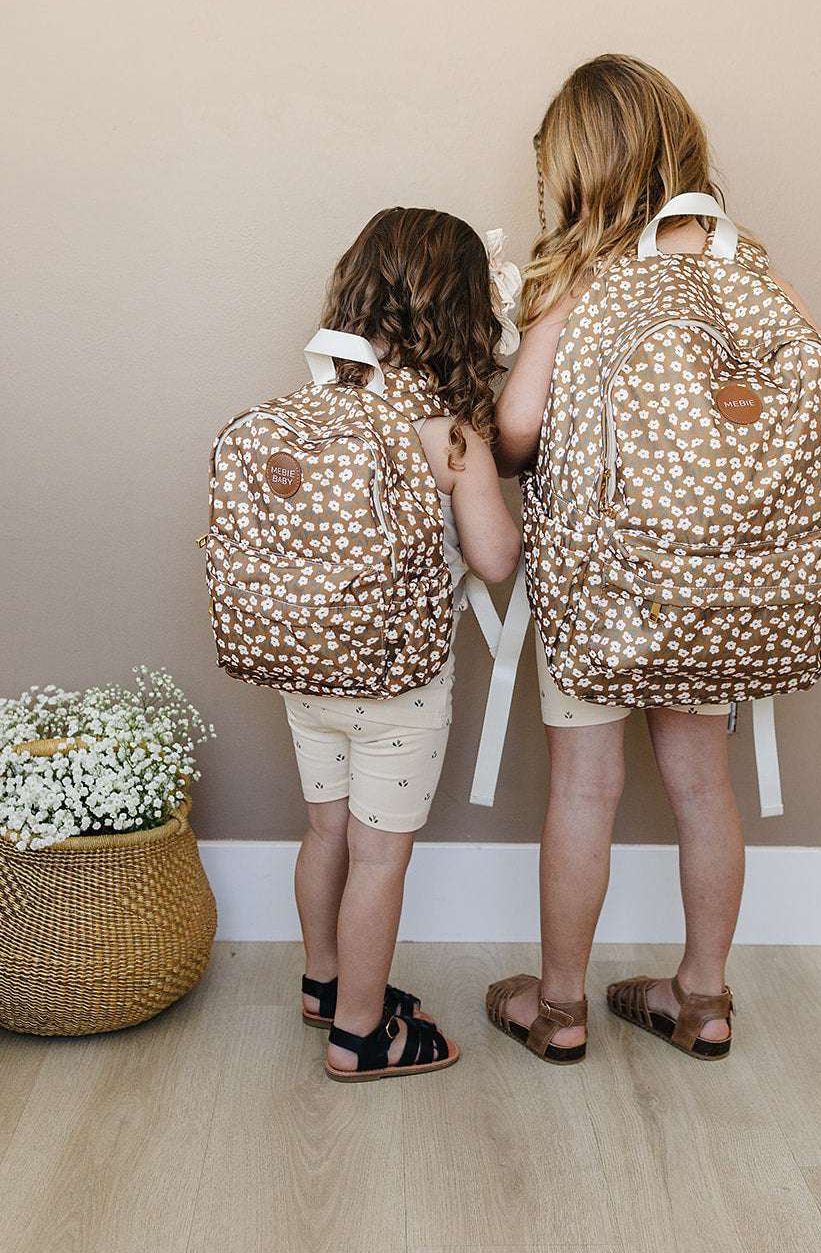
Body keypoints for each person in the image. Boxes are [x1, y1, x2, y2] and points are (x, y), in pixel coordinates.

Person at [485, 55, 821, 1062]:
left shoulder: (584, 278)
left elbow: (515, 432)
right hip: (725, 592)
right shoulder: (745, 273)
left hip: (604, 591)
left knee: (581, 788)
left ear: (579, 172)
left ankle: (557, 1006)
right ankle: (700, 997)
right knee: (702, 786)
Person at [284, 207, 522, 1081]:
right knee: (380, 855)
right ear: (462, 310)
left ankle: (323, 986)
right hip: (397, 683)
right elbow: (494, 557)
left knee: (323, 833)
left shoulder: (316, 402)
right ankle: (359, 1035)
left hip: (303, 664)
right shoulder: (443, 426)